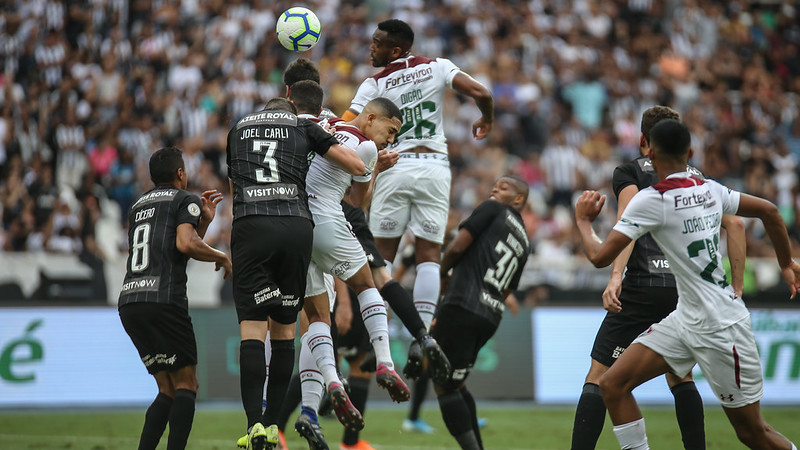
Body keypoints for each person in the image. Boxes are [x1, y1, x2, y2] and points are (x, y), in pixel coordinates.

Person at [575, 119, 800, 450]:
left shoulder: (652, 200)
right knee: (613, 385)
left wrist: (582, 220)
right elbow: (768, 211)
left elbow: (598, 256)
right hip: (685, 318)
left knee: (753, 433)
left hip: (721, 325)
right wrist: (786, 262)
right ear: (691, 152)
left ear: (649, 152)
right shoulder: (710, 188)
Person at [342, 18, 494, 343]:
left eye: (377, 42)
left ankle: (374, 341)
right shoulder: (438, 67)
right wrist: (487, 118)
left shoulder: (375, 84)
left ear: (395, 49)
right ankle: (423, 339)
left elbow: (348, 124)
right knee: (429, 256)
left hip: (393, 165)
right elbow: (481, 92)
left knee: (382, 256)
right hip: (435, 167)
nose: (371, 47)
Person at [227, 96, 366, 450]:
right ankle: (274, 426)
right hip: (295, 226)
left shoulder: (237, 129)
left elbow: (234, 189)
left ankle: (254, 425)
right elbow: (354, 164)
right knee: (286, 330)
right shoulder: (304, 126)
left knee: (253, 330)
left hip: (251, 226)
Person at [118, 146, 232, 450]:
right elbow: (185, 244)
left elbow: (175, 246)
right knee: (187, 384)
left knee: (166, 389)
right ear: (180, 173)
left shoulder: (138, 205)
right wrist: (222, 255)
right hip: (163, 300)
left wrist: (203, 224)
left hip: (130, 302)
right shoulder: (185, 199)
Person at [432, 176, 530, 450]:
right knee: (458, 383)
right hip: (490, 315)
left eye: (504, 187)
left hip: (463, 303)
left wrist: (439, 273)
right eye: (494, 186)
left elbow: (458, 246)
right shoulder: (524, 239)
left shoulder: (493, 208)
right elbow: (509, 288)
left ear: (519, 199)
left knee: (444, 384)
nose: (495, 189)